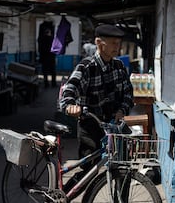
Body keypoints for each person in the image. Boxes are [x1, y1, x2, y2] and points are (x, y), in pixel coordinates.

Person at [60, 24, 134, 191]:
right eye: (114, 43)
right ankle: (64, 195)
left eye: (119, 43)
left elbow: (129, 93)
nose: (118, 47)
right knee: (89, 171)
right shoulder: (87, 66)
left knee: (123, 170)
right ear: (100, 43)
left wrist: (122, 109)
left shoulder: (119, 66)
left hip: (114, 127)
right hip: (91, 125)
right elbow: (70, 88)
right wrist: (70, 104)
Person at [38, 23, 57, 88]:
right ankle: (53, 84)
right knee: (53, 71)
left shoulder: (41, 39)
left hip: (44, 57)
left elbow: (40, 48)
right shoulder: (52, 39)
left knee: (45, 72)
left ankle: (46, 84)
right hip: (51, 57)